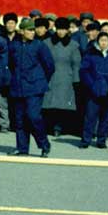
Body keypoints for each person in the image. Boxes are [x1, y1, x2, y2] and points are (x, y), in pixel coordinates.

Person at [8, 18, 54, 157]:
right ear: (21, 31)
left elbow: (50, 66)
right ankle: (22, 148)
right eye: (29, 30)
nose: (33, 32)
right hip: (18, 87)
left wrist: (39, 80)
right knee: (20, 119)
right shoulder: (14, 46)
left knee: (33, 116)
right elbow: (11, 65)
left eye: (33, 30)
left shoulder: (40, 46)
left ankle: (44, 144)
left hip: (34, 87)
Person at [43, 17, 81, 137]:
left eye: (63, 29)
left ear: (67, 30)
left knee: (62, 105)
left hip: (66, 78)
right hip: (50, 76)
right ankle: (48, 126)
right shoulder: (47, 43)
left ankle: (58, 127)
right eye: (59, 29)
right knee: (48, 103)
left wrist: (76, 80)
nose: (61, 32)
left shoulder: (73, 45)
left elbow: (76, 64)